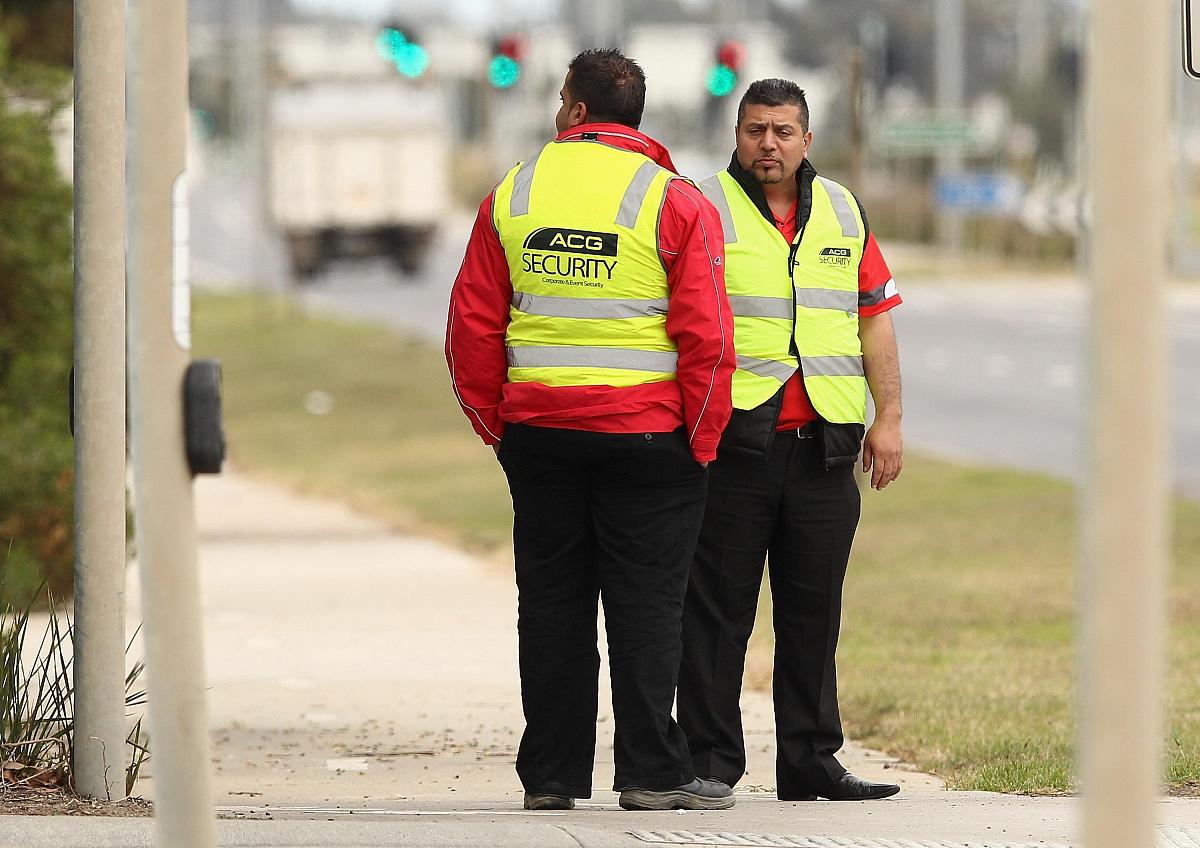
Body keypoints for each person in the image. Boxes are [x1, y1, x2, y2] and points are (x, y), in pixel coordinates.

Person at [445, 48, 736, 812]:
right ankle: (649, 772)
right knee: (647, 607)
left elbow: (472, 327)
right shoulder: (673, 201)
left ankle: (550, 775)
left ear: (575, 110)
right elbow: (708, 338)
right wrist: (700, 444)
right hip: (649, 441)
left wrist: (500, 429)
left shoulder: (516, 191)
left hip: (540, 435)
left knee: (551, 604)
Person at [677, 78, 904, 802]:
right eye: (754, 130)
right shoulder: (699, 207)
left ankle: (810, 761)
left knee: (814, 616)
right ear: (736, 136)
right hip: (734, 450)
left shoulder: (842, 209)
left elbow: (873, 318)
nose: (767, 144)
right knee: (718, 616)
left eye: (781, 131)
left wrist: (889, 418)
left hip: (823, 450)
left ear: (807, 139)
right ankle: (710, 762)